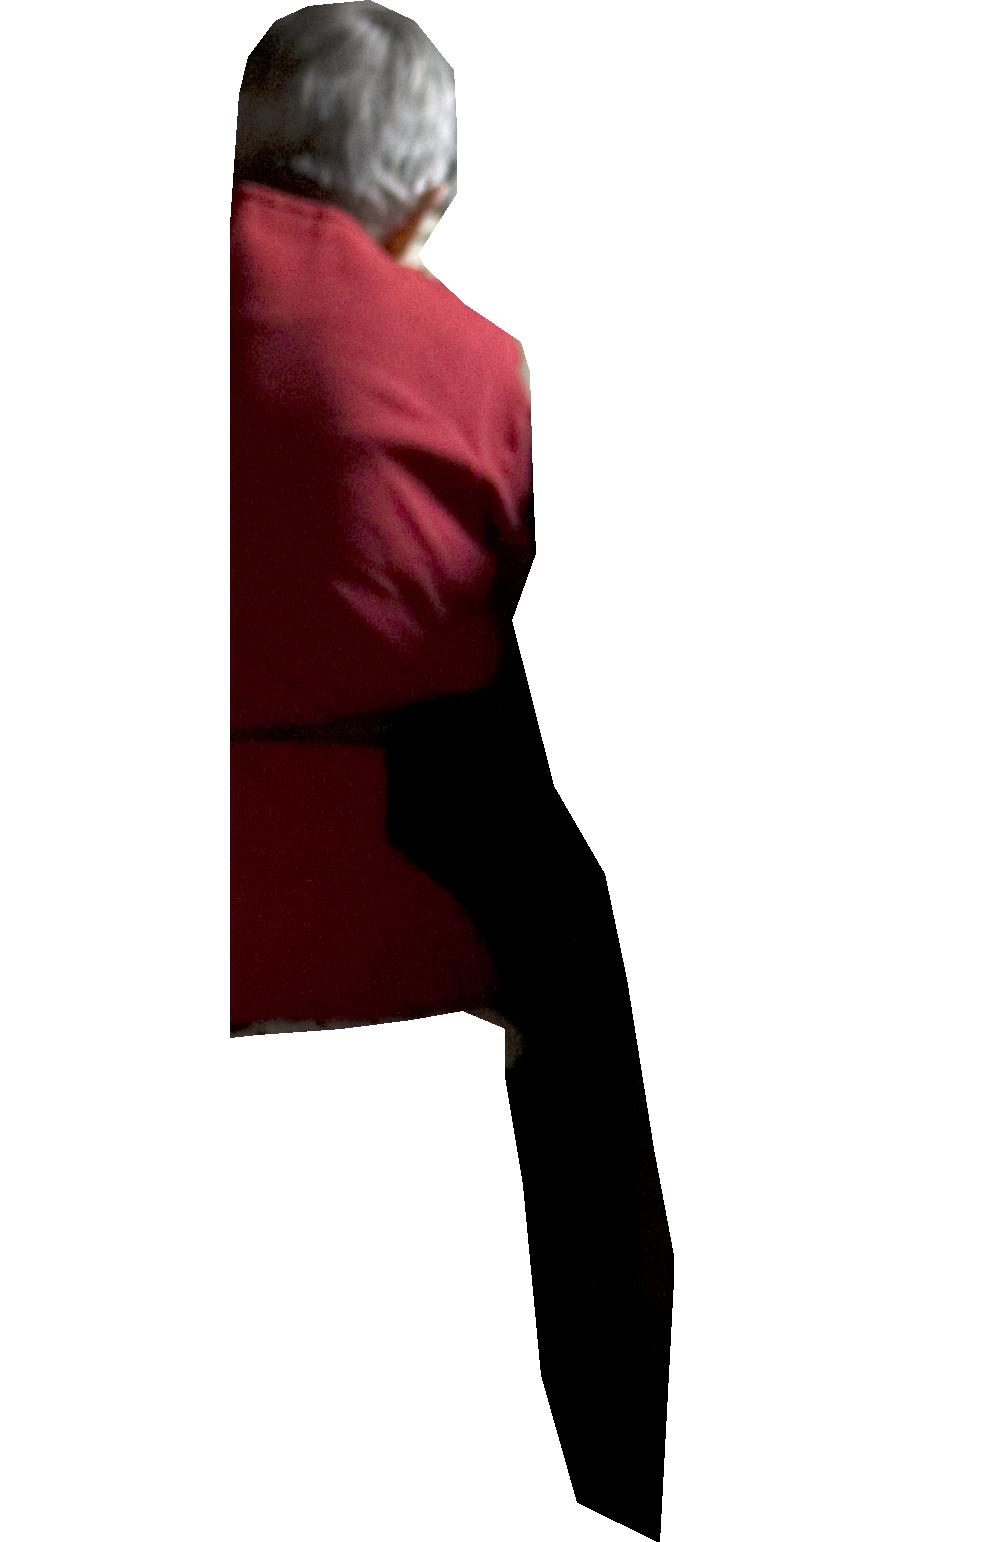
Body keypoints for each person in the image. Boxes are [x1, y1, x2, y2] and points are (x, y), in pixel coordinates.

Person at [230, 7, 673, 1536]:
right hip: (381, 880)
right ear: (422, 192)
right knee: (575, 932)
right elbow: (489, 586)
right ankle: (621, 1470)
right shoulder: (477, 363)